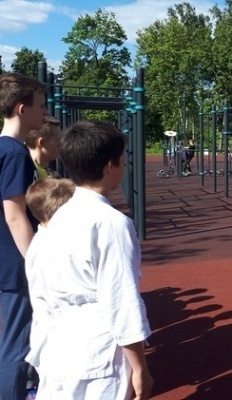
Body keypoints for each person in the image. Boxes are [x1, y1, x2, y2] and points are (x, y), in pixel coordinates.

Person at [23, 120, 153, 399]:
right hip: (98, 355)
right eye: (121, 160)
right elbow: (121, 300)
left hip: (56, 346)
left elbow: (38, 288)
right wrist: (140, 367)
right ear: (110, 165)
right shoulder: (111, 223)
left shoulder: (56, 218)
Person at [0, 72, 47, 400]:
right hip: (15, 262)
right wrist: (35, 263)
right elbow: (15, 215)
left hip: (5, 258)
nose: (44, 112)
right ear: (21, 108)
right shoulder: (16, 153)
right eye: (40, 106)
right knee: (17, 345)